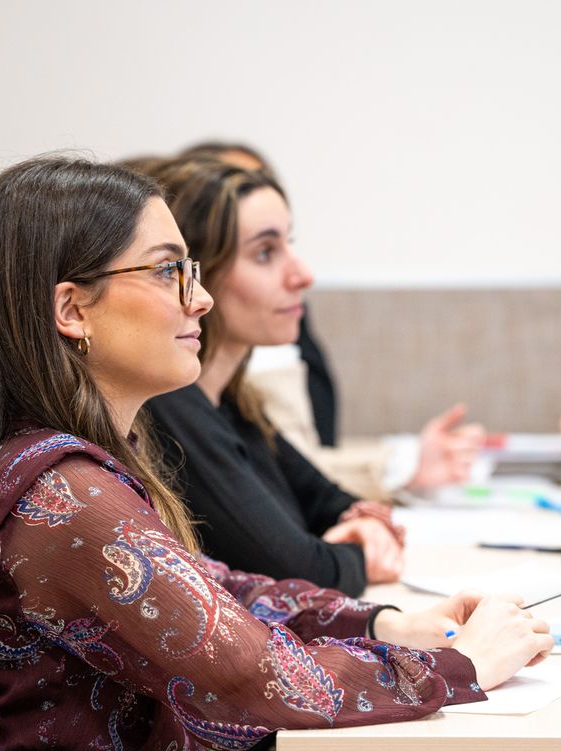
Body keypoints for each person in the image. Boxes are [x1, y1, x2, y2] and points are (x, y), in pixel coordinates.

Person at [0, 155, 553, 751]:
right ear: (73, 311)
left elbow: (214, 593)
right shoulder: (66, 499)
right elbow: (252, 678)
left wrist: (383, 624)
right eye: (169, 271)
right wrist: (464, 665)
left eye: (192, 270)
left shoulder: (62, 464)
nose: (199, 299)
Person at [140, 158, 404, 595]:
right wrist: (362, 553)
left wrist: (362, 525)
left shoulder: (234, 399)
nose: (302, 275)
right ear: (199, 275)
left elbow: (329, 500)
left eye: (289, 244)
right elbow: (301, 572)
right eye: (266, 252)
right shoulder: (169, 405)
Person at [178, 140, 485, 501]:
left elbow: (305, 479)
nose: (303, 276)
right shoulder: (185, 401)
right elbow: (292, 532)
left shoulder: (258, 360)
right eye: (264, 252)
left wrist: (402, 472)